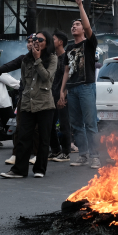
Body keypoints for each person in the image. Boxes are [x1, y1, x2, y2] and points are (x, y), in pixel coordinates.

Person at [0, 31, 57, 178]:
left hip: (44, 103)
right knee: (23, 137)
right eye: (34, 39)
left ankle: (39, 169)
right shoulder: (26, 59)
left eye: (40, 39)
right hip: (27, 102)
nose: (36, 41)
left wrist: (38, 59)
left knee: (44, 139)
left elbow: (47, 77)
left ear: (47, 43)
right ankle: (19, 170)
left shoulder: (52, 58)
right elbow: (24, 82)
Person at [59, 0, 101, 169]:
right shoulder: (69, 47)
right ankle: (83, 155)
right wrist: (62, 90)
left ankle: (95, 156)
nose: (74, 27)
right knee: (76, 124)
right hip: (73, 88)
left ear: (83, 29)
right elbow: (67, 70)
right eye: (73, 25)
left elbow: (89, 27)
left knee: (90, 123)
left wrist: (80, 5)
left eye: (77, 25)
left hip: (86, 87)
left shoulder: (89, 44)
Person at [0, 36, 38, 166]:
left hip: (39, 98)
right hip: (24, 96)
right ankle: (16, 154)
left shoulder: (45, 59)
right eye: (28, 42)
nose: (30, 44)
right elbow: (10, 65)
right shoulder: (23, 59)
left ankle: (38, 155)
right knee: (19, 126)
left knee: (38, 128)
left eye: (33, 42)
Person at [47, 30, 72, 162]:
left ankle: (66, 152)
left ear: (60, 42)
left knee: (64, 124)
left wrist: (64, 95)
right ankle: (55, 150)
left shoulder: (67, 57)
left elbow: (69, 78)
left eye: (54, 39)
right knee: (49, 124)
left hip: (63, 96)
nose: (52, 41)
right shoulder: (52, 58)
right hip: (52, 95)